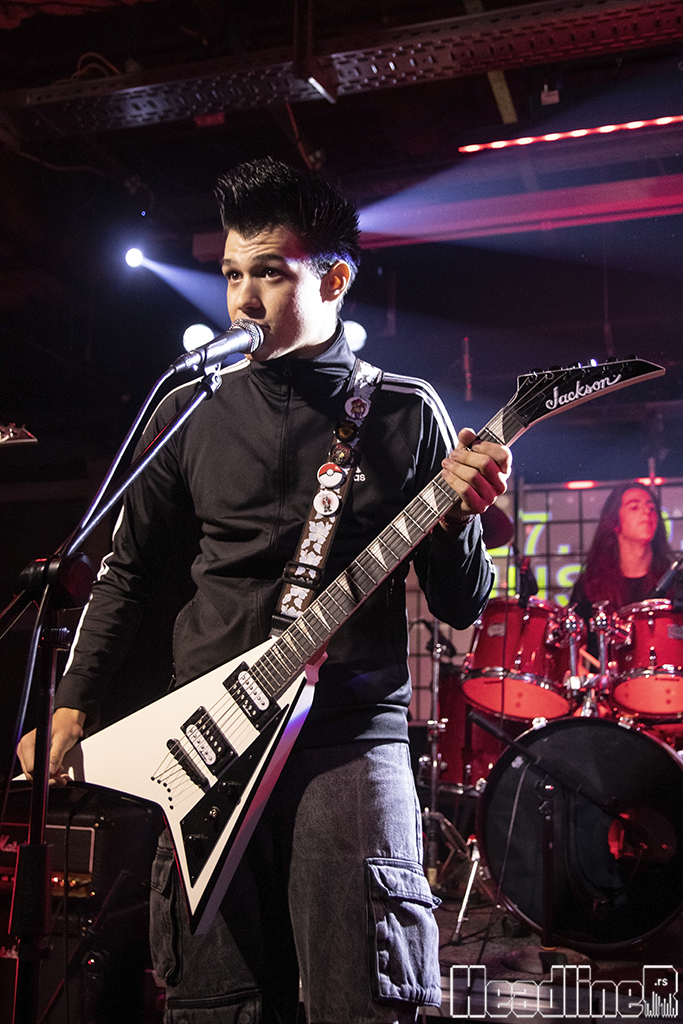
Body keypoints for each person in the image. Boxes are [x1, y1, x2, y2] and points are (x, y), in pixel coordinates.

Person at [17, 157, 511, 1024]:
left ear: (334, 279)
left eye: (269, 274)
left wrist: (459, 519)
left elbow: (460, 602)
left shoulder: (403, 410)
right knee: (216, 1002)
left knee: (356, 996)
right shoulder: (191, 409)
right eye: (232, 274)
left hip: (345, 738)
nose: (241, 301)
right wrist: (72, 700)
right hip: (204, 741)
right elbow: (128, 569)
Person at [570, 482, 673, 630]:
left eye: (652, 508)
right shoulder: (590, 587)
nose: (647, 511)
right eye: (634, 507)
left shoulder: (674, 583)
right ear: (614, 522)